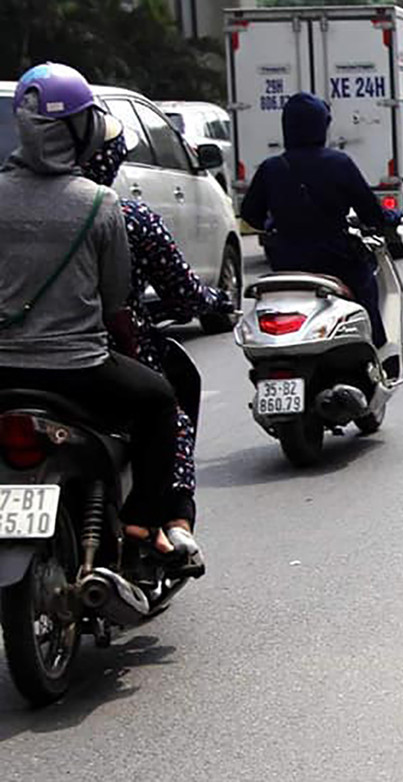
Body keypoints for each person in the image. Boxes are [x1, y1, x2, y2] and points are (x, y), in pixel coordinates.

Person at [0, 63, 183, 556]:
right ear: (78, 131)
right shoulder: (100, 204)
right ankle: (144, 523)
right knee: (159, 402)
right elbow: (114, 298)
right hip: (77, 369)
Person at [77, 125, 231, 573]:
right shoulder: (118, 215)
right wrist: (216, 303)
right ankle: (158, 522)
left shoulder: (12, 205)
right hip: (92, 357)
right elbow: (181, 291)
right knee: (168, 408)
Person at [241, 93, 392, 343]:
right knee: (366, 289)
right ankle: (376, 350)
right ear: (322, 124)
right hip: (336, 260)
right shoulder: (339, 163)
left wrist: (275, 222)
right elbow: (370, 211)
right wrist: (387, 218)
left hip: (286, 263)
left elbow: (250, 215)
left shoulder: (271, 168)